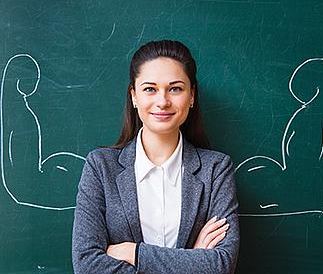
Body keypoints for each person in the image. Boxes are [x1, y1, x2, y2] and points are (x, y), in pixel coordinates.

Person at [72, 40, 239, 273]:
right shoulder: (100, 167)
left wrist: (133, 252)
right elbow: (87, 264)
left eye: (175, 89)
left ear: (192, 96)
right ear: (134, 96)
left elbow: (221, 265)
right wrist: (191, 259)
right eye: (150, 89)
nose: (162, 101)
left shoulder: (216, 169)